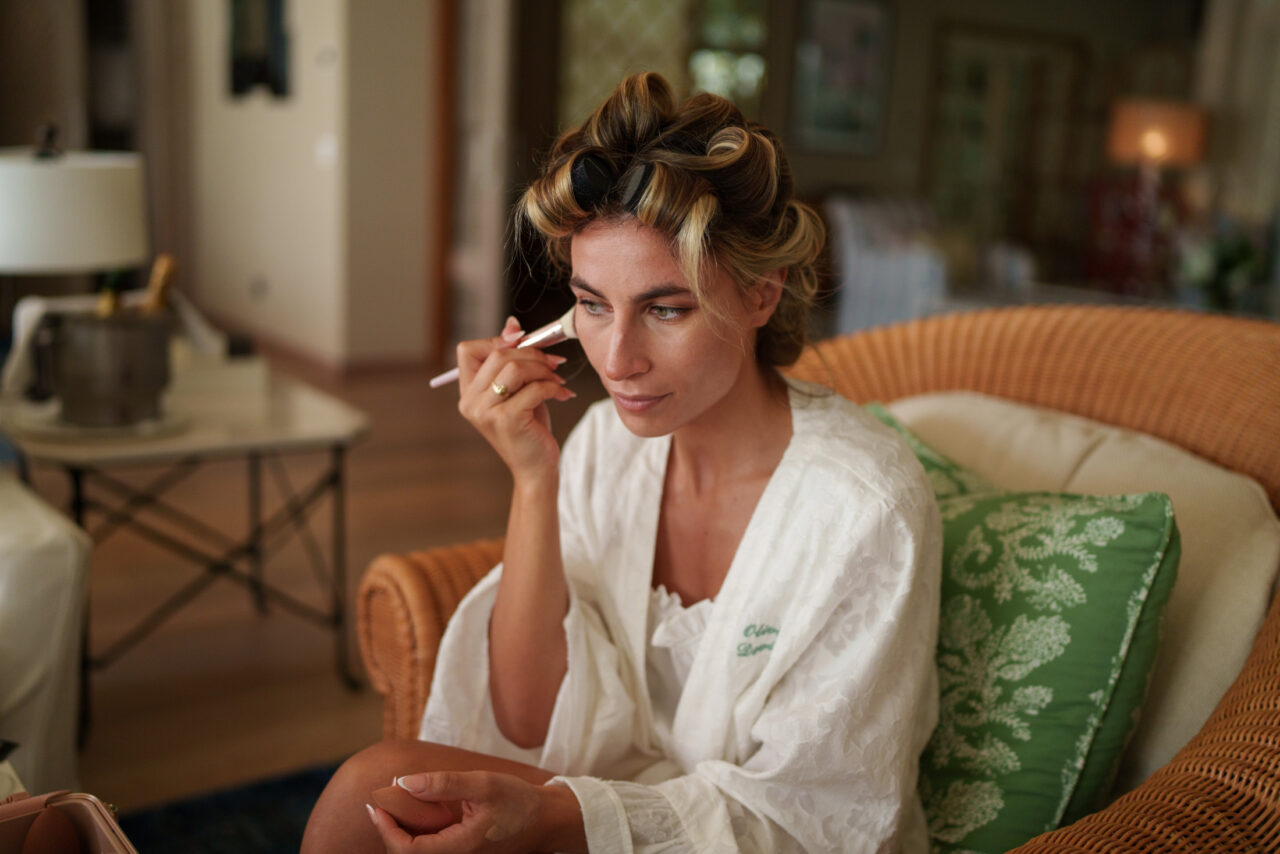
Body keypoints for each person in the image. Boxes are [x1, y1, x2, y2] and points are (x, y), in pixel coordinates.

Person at [301, 71, 941, 854]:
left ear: (762, 294)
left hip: (762, 838)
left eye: (664, 309)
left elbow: (816, 815)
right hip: (620, 797)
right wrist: (534, 479)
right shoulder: (607, 445)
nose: (616, 359)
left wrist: (561, 821)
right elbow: (529, 719)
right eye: (593, 305)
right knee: (366, 795)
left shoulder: (864, 508)